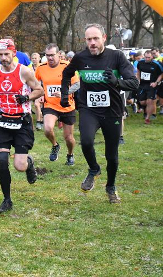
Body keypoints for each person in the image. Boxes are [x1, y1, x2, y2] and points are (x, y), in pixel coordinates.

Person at [61, 24, 139, 204]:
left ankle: (110, 186)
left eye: (96, 38)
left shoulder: (117, 57)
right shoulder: (81, 58)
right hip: (89, 108)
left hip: (112, 111)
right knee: (86, 141)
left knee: (111, 155)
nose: (92, 43)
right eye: (89, 39)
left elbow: (134, 82)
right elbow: (66, 74)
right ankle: (94, 169)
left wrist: (117, 82)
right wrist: (65, 95)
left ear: (104, 37)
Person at [0, 38, 43, 213]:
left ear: (14, 53)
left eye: (6, 54)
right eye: (0, 55)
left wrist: (27, 98)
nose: (3, 58)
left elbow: (39, 90)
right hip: (2, 121)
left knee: (19, 166)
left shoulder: (24, 71)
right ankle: (7, 199)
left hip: (21, 121)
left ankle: (29, 163)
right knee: (2, 162)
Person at [34, 44, 79, 165]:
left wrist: (65, 92)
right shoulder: (41, 67)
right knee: (47, 129)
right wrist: (40, 94)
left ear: (59, 54)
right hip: (50, 104)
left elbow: (77, 84)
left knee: (69, 138)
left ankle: (70, 154)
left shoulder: (68, 66)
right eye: (47, 55)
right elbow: (35, 82)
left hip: (67, 105)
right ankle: (55, 145)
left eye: (52, 55)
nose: (49, 58)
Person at [136, 50, 163, 124]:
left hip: (151, 85)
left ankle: (147, 118)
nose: (147, 59)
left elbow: (161, 74)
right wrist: (138, 79)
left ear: (152, 57)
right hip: (142, 84)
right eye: (146, 57)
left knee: (150, 101)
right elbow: (138, 71)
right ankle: (146, 110)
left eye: (149, 57)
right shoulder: (140, 62)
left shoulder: (157, 64)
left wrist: (156, 82)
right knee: (142, 102)